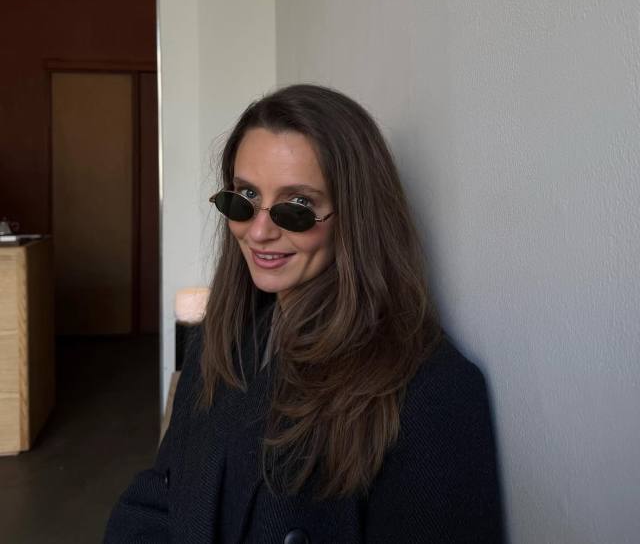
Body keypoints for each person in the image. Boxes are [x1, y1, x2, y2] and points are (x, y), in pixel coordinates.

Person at [105, 84, 504, 543]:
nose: (259, 232)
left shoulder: (430, 393)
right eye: (245, 197)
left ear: (355, 215)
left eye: (297, 206)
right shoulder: (219, 342)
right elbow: (161, 494)